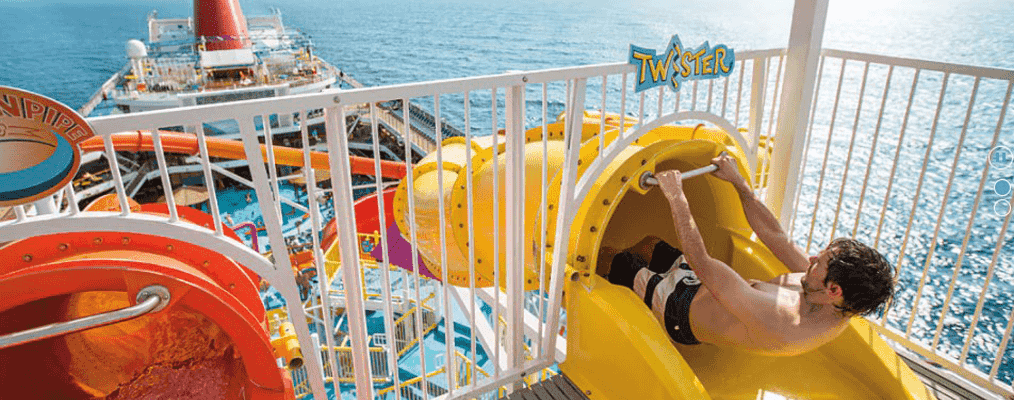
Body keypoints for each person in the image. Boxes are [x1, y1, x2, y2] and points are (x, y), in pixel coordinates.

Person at [608, 154, 896, 356]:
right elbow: (776, 237)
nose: (809, 261)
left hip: (679, 309)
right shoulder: (829, 296)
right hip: (703, 286)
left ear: (834, 289)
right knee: (651, 244)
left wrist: (676, 196)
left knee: (615, 261)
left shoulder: (783, 322)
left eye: (818, 263)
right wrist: (738, 182)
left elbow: (702, 262)